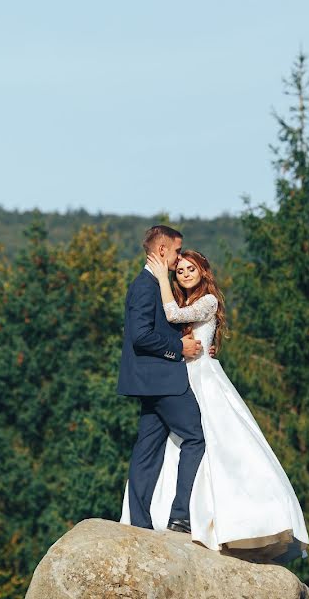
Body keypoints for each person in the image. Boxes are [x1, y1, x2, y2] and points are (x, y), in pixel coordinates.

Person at [120, 248, 309, 563]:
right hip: (179, 378)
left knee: (217, 443)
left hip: (202, 379)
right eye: (179, 271)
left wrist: (162, 278)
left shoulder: (207, 302)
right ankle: (171, 513)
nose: (184, 274)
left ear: (203, 271)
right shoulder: (180, 300)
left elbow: (174, 316)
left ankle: (210, 519)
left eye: (189, 269)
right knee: (175, 446)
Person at [117, 225, 205, 534]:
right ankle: (180, 516)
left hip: (152, 382)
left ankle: (139, 524)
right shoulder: (145, 286)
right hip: (164, 381)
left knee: (147, 451)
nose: (180, 256)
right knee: (196, 438)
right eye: (178, 250)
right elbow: (140, 336)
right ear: (163, 250)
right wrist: (178, 348)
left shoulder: (155, 283)